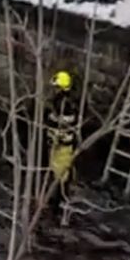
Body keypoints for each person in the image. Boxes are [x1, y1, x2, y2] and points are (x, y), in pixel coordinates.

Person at [47, 70, 77, 208]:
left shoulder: (64, 104)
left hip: (62, 144)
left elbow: (63, 125)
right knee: (57, 170)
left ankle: (58, 201)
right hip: (61, 141)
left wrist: (55, 138)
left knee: (61, 173)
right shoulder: (67, 101)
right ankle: (57, 198)